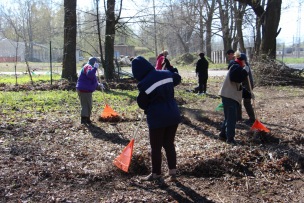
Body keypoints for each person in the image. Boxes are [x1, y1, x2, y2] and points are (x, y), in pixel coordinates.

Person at [132, 56, 181, 181]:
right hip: (173, 113)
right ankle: (173, 173)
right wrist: (170, 68)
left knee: (156, 147)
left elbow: (142, 102)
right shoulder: (166, 74)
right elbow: (177, 78)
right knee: (169, 143)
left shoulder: (145, 83)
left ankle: (156, 174)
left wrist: (147, 107)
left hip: (158, 117)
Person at [218, 51, 249, 144]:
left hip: (229, 95)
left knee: (228, 117)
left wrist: (248, 94)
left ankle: (223, 135)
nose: (245, 64)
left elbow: (238, 85)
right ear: (242, 60)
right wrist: (245, 72)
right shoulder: (236, 66)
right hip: (229, 96)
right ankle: (230, 139)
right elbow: (236, 78)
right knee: (232, 119)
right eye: (245, 62)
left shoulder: (236, 67)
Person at [76, 57, 100, 124]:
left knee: (88, 105)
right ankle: (84, 120)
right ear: (94, 62)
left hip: (85, 89)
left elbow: (90, 79)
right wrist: (95, 68)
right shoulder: (88, 66)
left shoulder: (89, 67)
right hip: (84, 89)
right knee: (86, 105)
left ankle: (87, 119)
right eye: (97, 63)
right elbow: (89, 75)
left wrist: (98, 84)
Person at [239, 55, 256, 125]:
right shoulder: (241, 65)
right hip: (243, 85)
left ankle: (252, 118)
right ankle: (238, 117)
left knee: (246, 102)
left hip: (248, 86)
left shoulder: (245, 66)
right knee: (238, 101)